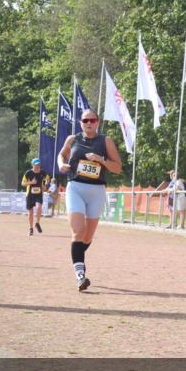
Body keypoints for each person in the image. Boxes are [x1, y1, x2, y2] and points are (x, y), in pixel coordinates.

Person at [58, 109, 122, 291]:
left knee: (87, 237)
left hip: (97, 191)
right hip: (75, 187)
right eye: (85, 120)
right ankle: (80, 275)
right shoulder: (73, 139)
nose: (89, 123)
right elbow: (61, 155)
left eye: (92, 120)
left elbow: (117, 168)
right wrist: (61, 164)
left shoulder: (105, 141)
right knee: (78, 231)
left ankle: (76, 255)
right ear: (81, 123)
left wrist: (101, 160)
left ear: (97, 122)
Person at [22, 159, 48, 236]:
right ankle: (31, 228)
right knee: (31, 213)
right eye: (36, 164)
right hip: (30, 195)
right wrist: (31, 182)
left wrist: (45, 186)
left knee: (39, 207)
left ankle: (37, 223)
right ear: (32, 165)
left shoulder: (43, 172)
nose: (37, 166)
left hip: (39, 194)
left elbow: (47, 179)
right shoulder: (28, 173)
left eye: (38, 164)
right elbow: (23, 183)